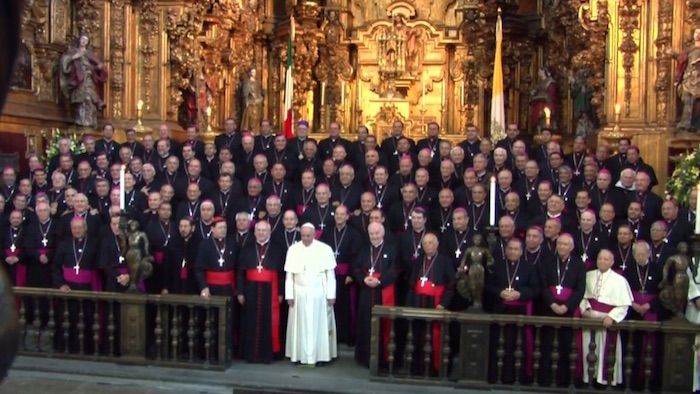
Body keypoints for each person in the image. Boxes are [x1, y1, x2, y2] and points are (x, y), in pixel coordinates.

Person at [284, 223, 338, 366]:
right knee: (299, 326)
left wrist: (331, 295)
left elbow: (330, 275)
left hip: (319, 293)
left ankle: (320, 356)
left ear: (314, 234)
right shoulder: (293, 249)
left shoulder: (325, 249)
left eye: (308, 236)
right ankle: (298, 356)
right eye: (303, 235)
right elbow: (289, 275)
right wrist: (289, 295)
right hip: (299, 292)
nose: (306, 238)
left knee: (319, 326)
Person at [579, 249, 633, 386]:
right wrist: (585, 309)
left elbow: (624, 305)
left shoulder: (620, 280)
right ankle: (588, 380)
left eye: (606, 259)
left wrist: (612, 317)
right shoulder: (587, 275)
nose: (602, 261)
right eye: (600, 258)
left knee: (607, 353)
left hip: (607, 322)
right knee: (588, 351)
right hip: (589, 320)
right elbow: (581, 297)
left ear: (612, 262)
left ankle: (605, 381)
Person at [237, 220, 285, 363]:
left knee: (268, 322)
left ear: (269, 232)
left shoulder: (277, 249)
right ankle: (250, 354)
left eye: (264, 230)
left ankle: (267, 354)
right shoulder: (247, 248)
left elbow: (282, 274)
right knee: (250, 321)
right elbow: (240, 272)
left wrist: (281, 293)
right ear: (255, 232)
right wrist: (240, 292)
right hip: (250, 290)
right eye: (258, 230)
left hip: (270, 291)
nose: (261, 233)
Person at [59, 33, 108, 128]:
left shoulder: (89, 54)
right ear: (79, 40)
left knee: (90, 99)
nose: (84, 41)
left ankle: (90, 122)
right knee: (81, 101)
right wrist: (74, 57)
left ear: (87, 42)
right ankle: (81, 121)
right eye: (82, 39)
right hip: (78, 80)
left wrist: (98, 68)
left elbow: (97, 66)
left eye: (86, 40)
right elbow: (64, 62)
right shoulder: (73, 52)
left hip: (89, 80)